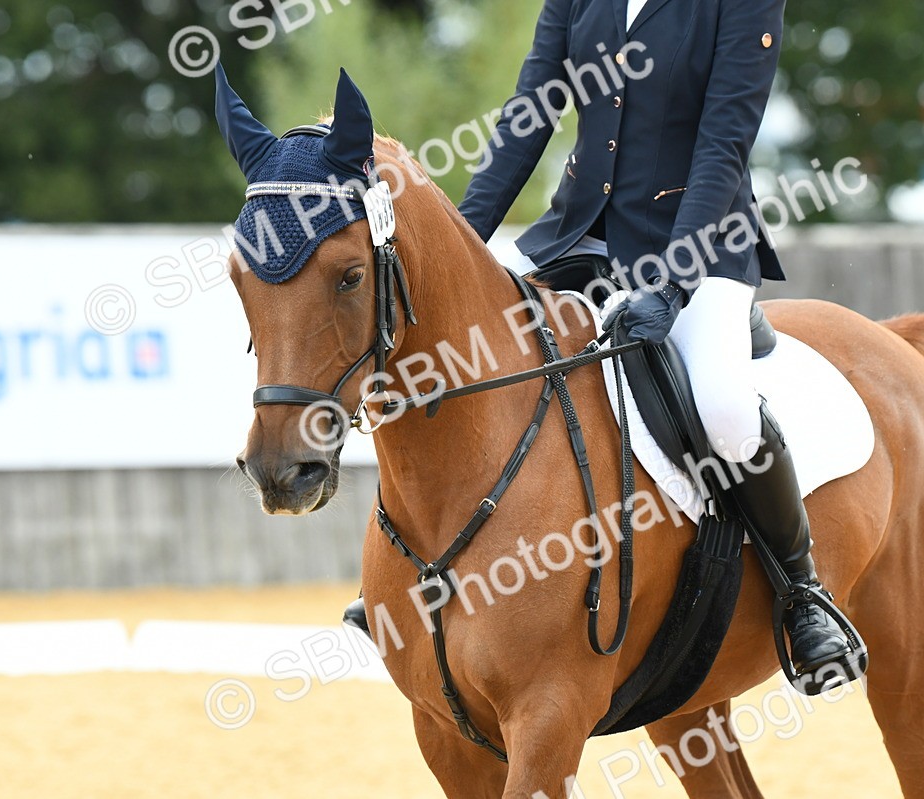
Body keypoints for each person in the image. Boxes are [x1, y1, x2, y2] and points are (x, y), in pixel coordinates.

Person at [347, 0, 853, 678]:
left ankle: (802, 593)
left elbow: (724, 140)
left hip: (698, 247)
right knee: (444, 351)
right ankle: (401, 573)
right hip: (577, 237)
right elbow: (528, 118)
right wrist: (454, 250)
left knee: (726, 408)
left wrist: (672, 285)